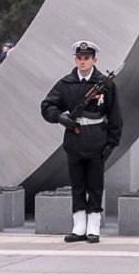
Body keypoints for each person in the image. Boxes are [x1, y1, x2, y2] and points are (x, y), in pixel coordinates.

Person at [41, 40, 122, 244]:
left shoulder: (105, 84)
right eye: (79, 58)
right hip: (75, 138)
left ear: (94, 60)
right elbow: (47, 105)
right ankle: (79, 225)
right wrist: (59, 117)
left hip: (97, 138)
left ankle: (93, 225)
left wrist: (112, 142)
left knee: (95, 184)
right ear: (75, 59)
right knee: (77, 184)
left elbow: (115, 115)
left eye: (87, 58)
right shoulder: (66, 83)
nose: (83, 62)